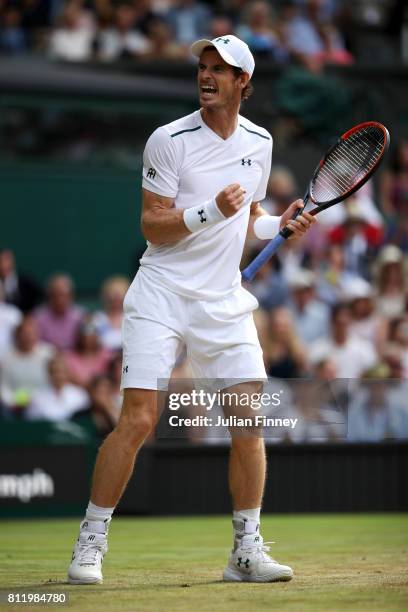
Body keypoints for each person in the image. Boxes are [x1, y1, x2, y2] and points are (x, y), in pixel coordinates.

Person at [67, 34, 315, 586]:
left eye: (220, 71)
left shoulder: (260, 140)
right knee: (139, 420)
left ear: (243, 84)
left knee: (249, 420)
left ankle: (244, 552)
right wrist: (206, 211)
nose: (207, 77)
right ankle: (91, 540)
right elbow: (151, 225)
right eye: (203, 68)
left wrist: (279, 224)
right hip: (161, 292)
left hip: (223, 299)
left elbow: (249, 218)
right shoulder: (169, 139)